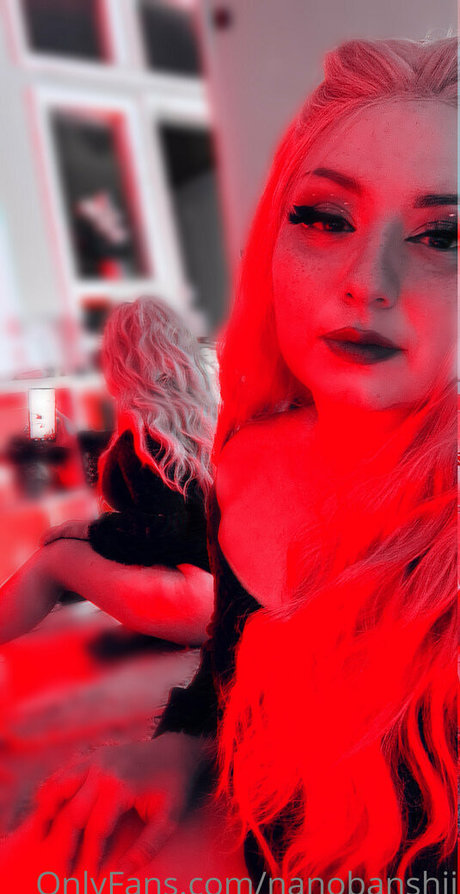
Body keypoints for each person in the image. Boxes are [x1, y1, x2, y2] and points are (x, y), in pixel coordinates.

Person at [4, 36, 457, 886]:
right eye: (325, 218)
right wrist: (182, 747)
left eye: (444, 235)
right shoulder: (248, 458)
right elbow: (232, 671)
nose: (368, 279)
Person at [0, 297, 216, 646]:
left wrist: (86, 529)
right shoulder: (194, 422)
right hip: (216, 591)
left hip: (194, 602)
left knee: (56, 556)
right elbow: (164, 493)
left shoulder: (145, 436)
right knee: (72, 551)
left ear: (121, 359)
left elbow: (164, 527)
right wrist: (78, 440)